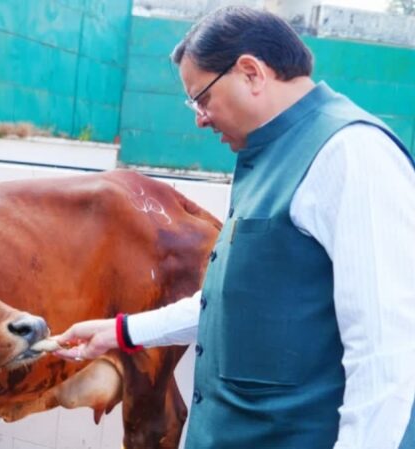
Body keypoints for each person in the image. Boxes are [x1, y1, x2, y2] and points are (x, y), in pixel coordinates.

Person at [53, 6, 415, 449]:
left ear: (251, 73)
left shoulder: (351, 154)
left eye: (202, 98)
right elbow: (231, 305)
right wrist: (120, 332)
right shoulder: (268, 158)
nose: (199, 118)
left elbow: (387, 359)